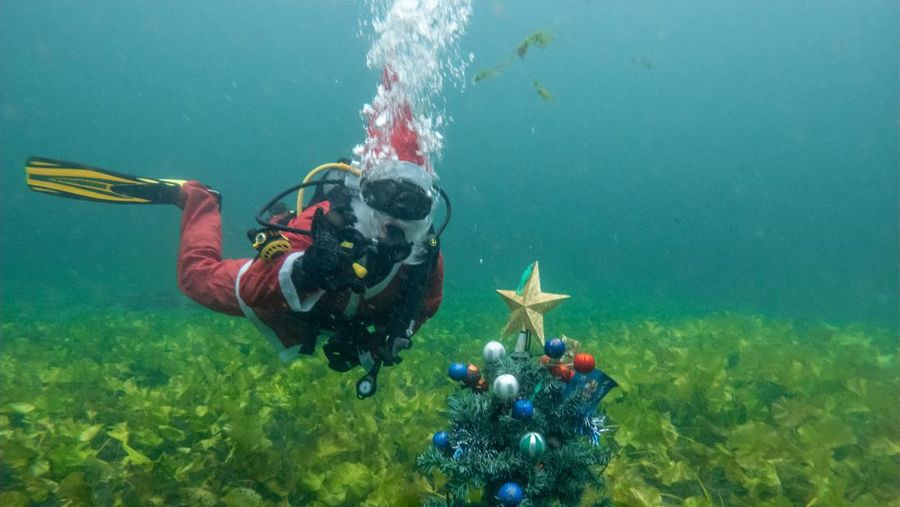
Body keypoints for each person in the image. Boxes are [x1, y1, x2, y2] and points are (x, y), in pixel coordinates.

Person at [24, 69, 446, 399]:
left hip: (339, 318)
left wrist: (375, 346)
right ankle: (198, 198)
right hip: (291, 296)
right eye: (386, 197)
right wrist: (303, 270)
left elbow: (422, 306)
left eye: (413, 206)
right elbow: (257, 286)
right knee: (195, 278)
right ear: (364, 196)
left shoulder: (426, 257)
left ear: (428, 212)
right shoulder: (327, 223)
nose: (397, 215)